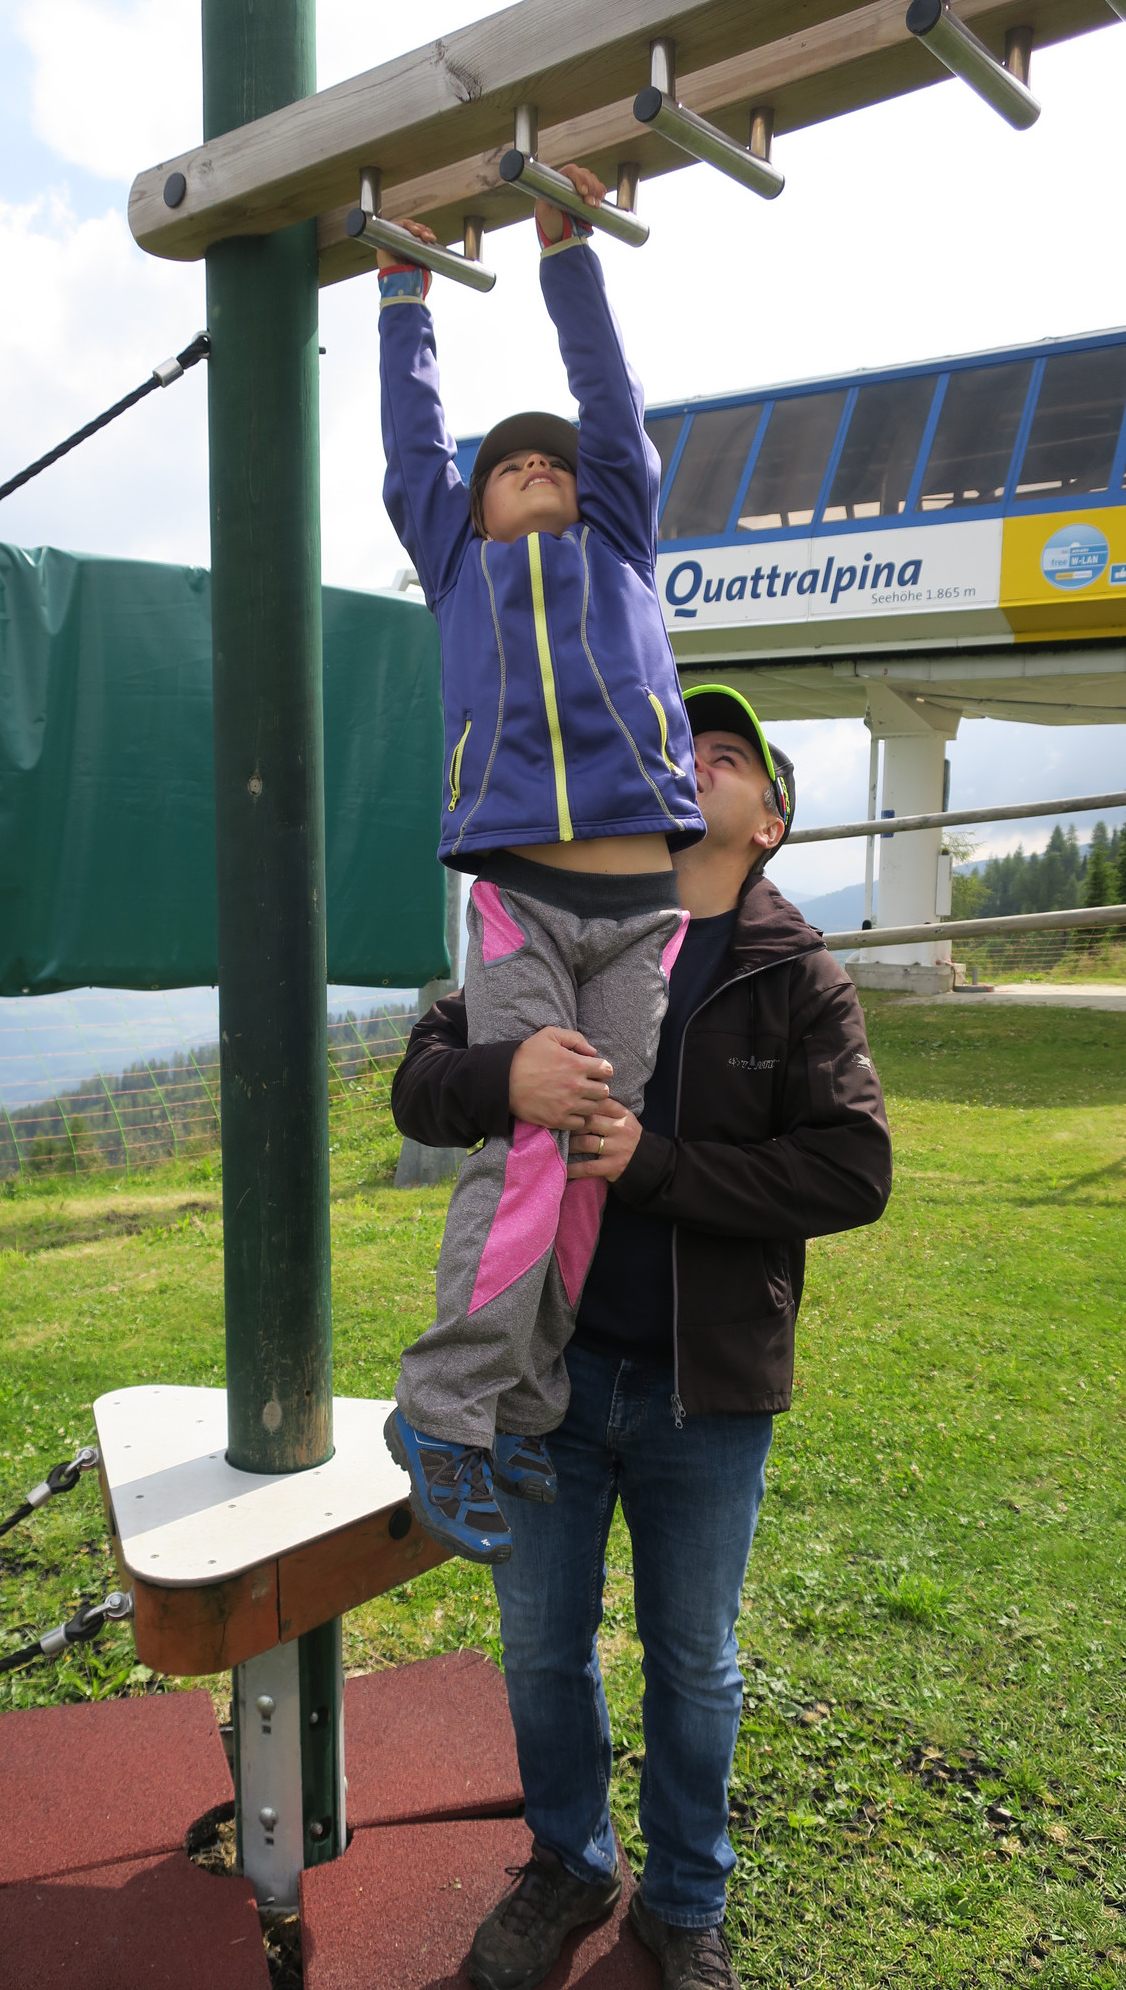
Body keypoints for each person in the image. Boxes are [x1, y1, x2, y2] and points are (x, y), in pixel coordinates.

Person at [390, 684, 892, 1990]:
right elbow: (420, 1084)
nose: (699, 761)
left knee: (695, 1667)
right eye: (685, 747)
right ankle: (569, 1862)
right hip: (543, 1386)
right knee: (540, 1653)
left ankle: (683, 1903)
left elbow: (853, 1172)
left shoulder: (797, 975)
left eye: (729, 754)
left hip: (703, 1393)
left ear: (770, 821)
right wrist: (502, 1077)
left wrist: (656, 1167)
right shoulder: (571, 914)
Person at [374, 168, 705, 1567]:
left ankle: (521, 1399)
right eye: (511, 467)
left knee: (584, 1157)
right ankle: (442, 1412)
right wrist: (405, 295)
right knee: (526, 1142)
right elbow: (415, 445)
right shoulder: (457, 566)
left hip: (638, 911)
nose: (540, 471)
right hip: (522, 896)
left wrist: (569, 256)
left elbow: (611, 409)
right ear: (469, 507)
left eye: (555, 466)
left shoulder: (619, 544)